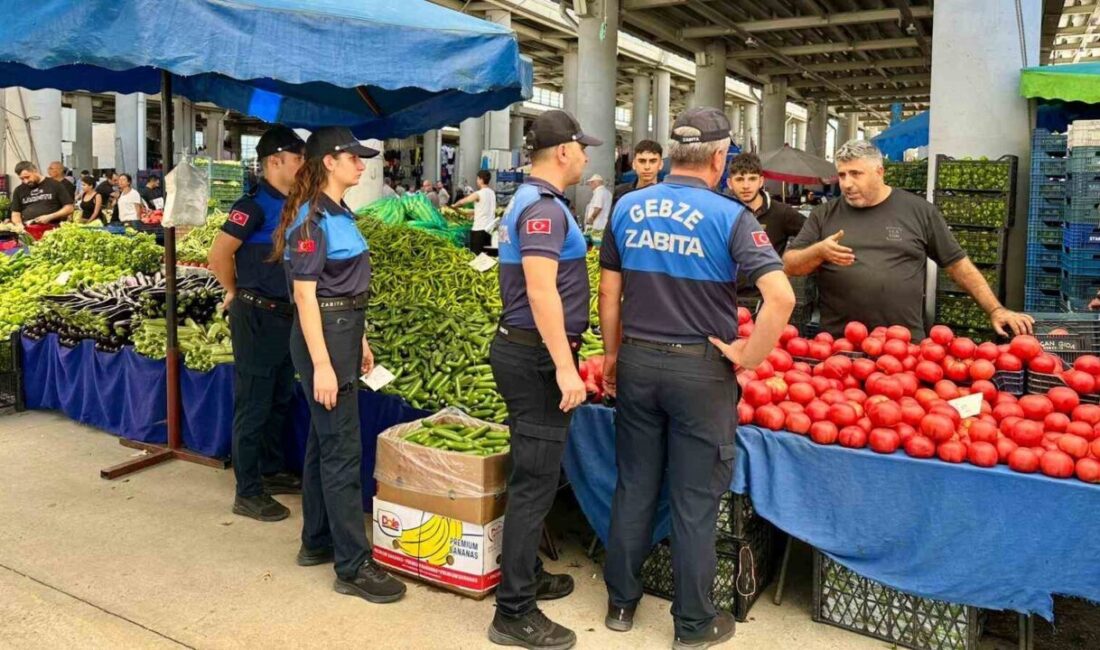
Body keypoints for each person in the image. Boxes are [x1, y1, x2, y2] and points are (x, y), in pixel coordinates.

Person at [600, 107, 795, 650]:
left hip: (637, 361)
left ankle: (620, 604)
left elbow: (608, 295)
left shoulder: (627, 206)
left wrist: (613, 357)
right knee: (693, 499)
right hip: (699, 371)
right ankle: (692, 624)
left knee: (635, 486)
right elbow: (780, 297)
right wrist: (749, 356)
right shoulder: (732, 217)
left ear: (671, 153)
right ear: (718, 157)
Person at [270, 126, 406, 604]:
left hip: (343, 333)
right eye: (353, 158)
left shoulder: (340, 213)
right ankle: (352, 565)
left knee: (322, 443)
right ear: (329, 161)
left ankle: (317, 540)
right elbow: (306, 298)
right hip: (323, 339)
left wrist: (361, 338)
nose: (362, 164)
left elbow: (345, 288)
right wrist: (324, 365)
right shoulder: (310, 221)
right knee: (343, 451)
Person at [487, 109, 601, 650]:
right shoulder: (546, 210)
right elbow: (540, 291)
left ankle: (525, 575)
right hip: (535, 359)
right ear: (563, 152)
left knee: (530, 476)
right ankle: (513, 612)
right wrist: (564, 365)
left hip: (524, 352)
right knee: (533, 484)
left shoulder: (533, 201)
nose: (586, 157)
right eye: (582, 148)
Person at [783, 139, 1034, 339]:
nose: (847, 183)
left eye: (856, 174)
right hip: (840, 344)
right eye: (842, 174)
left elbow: (957, 265)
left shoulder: (918, 211)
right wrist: (819, 252)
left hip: (903, 345)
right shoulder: (824, 214)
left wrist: (995, 309)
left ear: (879, 172)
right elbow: (790, 265)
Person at [208, 126, 307, 523]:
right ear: (274, 161)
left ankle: (271, 469)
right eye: (297, 158)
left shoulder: (297, 202)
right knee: (253, 403)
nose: (303, 165)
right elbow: (219, 255)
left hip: (286, 316)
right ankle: (247, 491)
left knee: (280, 396)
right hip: (256, 315)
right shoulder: (252, 205)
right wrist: (235, 290)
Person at [725, 153, 807, 304]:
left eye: (752, 178)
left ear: (761, 181)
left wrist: (791, 259)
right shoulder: (720, 212)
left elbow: (812, 233)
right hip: (726, 298)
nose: (746, 186)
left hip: (765, 300)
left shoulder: (781, 213)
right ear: (730, 183)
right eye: (739, 179)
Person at [10, 161, 74, 233]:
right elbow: (15, 213)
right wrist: (19, 225)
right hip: (28, 231)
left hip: (53, 230)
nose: (25, 181)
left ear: (35, 171)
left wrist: (50, 216)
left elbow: (69, 208)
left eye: (27, 177)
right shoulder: (19, 190)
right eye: (22, 179)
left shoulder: (55, 185)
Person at [452, 169, 496, 255]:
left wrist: (455, 206)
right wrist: (467, 212)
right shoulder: (492, 193)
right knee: (487, 257)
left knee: (477, 257)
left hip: (479, 230)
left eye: (477, 179)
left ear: (481, 179)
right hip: (490, 230)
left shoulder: (479, 193)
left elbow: (463, 201)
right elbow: (484, 209)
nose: (477, 181)